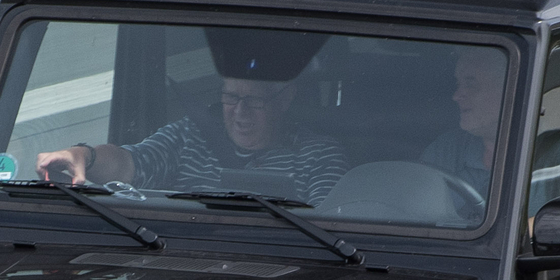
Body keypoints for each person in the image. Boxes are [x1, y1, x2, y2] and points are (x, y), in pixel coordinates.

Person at [37, 75, 348, 202]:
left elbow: (326, 231)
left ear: (284, 100)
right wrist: (83, 156)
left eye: (255, 101)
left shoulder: (318, 155)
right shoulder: (190, 135)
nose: (240, 113)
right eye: (230, 98)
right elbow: (129, 164)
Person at [419, 46, 560, 213]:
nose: (456, 95)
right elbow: (408, 210)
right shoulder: (446, 149)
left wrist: (540, 231)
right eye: (458, 83)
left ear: (511, 88)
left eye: (471, 84)